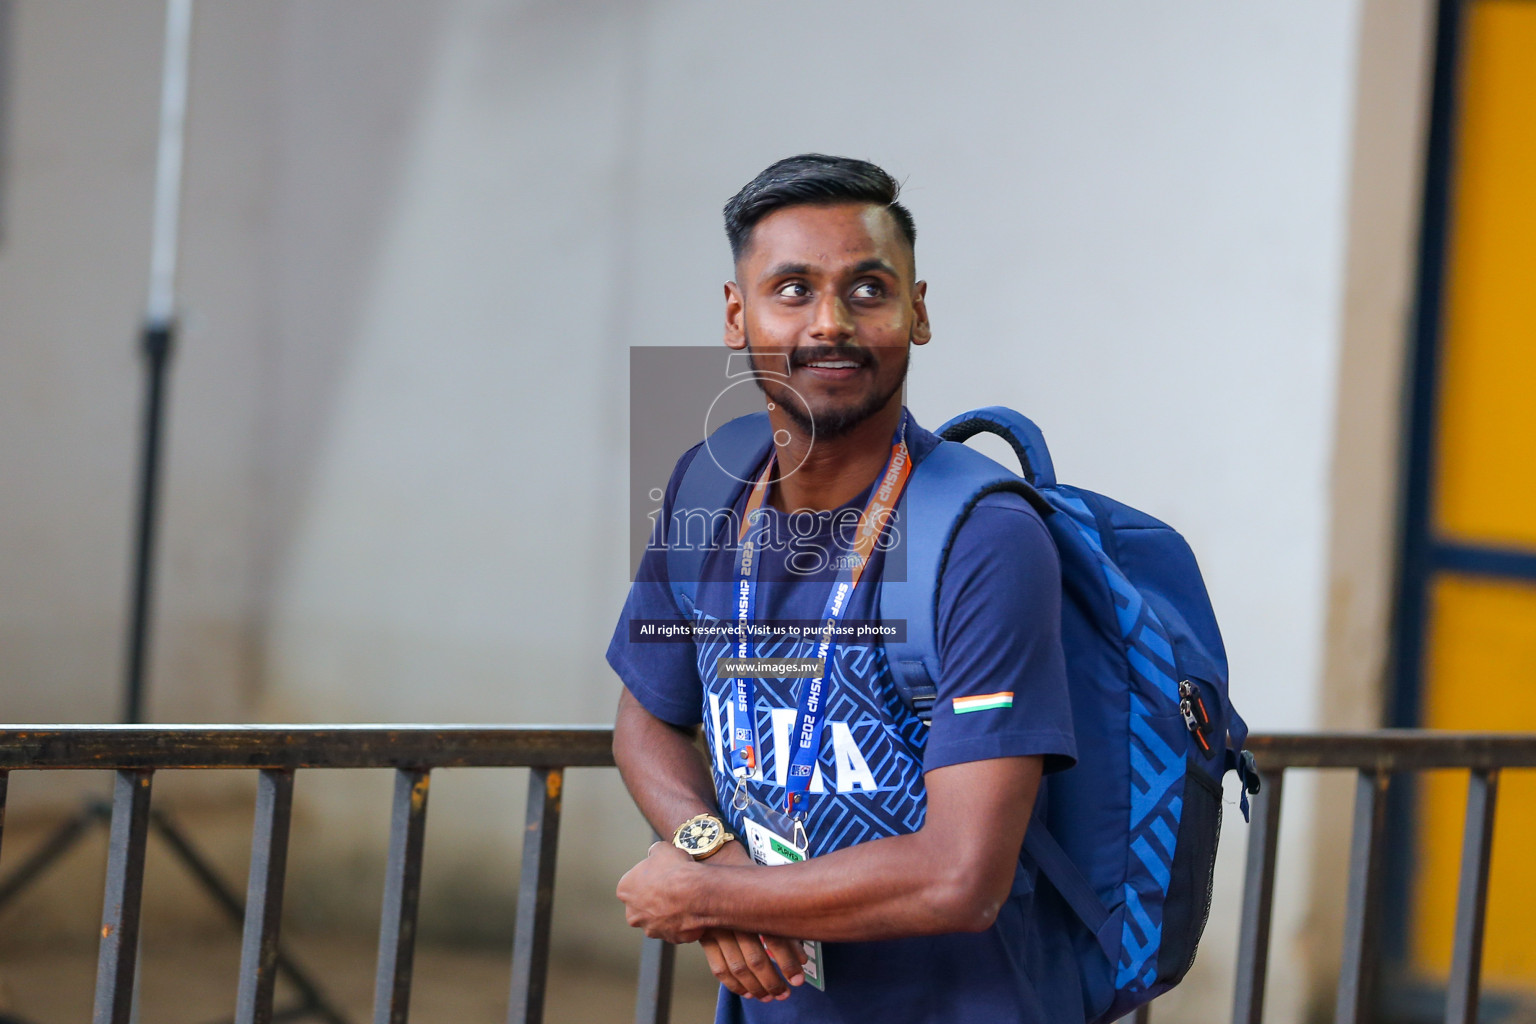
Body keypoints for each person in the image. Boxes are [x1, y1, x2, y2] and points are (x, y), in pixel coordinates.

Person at [608, 154, 1082, 1023]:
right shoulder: (707, 486)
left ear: (919, 310)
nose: (831, 323)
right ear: (734, 313)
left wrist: (715, 900)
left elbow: (960, 875)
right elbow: (649, 715)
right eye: (792, 289)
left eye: (868, 290)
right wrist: (712, 856)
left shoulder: (983, 539)